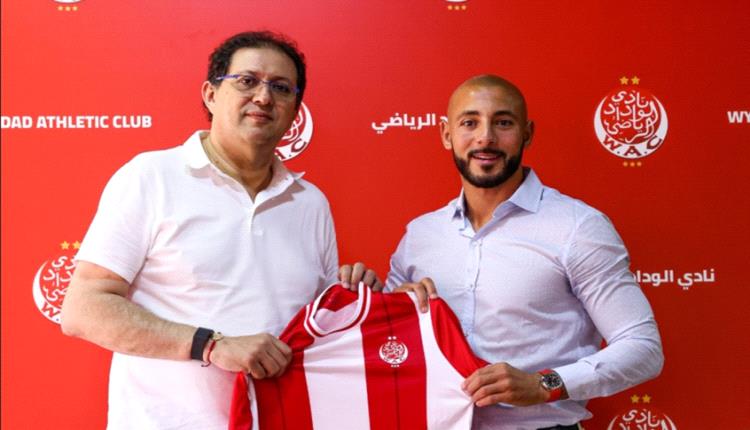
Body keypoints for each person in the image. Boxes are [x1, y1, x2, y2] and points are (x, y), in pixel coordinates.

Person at [60, 31, 371, 430]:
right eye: (247, 81)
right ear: (210, 94)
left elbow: (320, 328)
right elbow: (83, 309)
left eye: (280, 88)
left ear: (295, 111)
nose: (263, 97)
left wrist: (362, 297)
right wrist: (211, 345)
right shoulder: (151, 176)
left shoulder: (311, 203)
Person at [343, 75, 664, 430]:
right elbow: (389, 351)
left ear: (527, 134)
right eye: (470, 123)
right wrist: (378, 304)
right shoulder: (420, 235)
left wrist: (542, 385)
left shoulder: (578, 227)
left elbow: (643, 348)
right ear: (446, 134)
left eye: (503, 123)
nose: (485, 138)